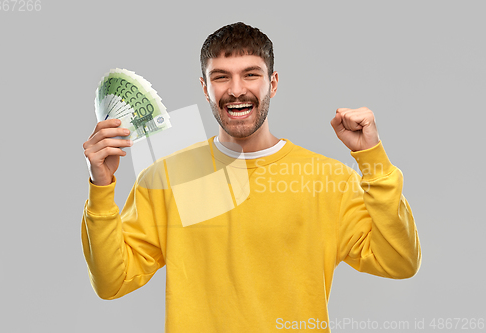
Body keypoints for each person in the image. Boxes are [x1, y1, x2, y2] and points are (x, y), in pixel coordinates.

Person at [82, 22, 421, 332]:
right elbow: (112, 282)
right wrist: (101, 186)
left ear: (272, 83)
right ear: (204, 88)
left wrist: (373, 159)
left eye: (250, 75)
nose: (236, 90)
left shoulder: (327, 179)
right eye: (220, 77)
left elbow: (400, 261)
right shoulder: (167, 177)